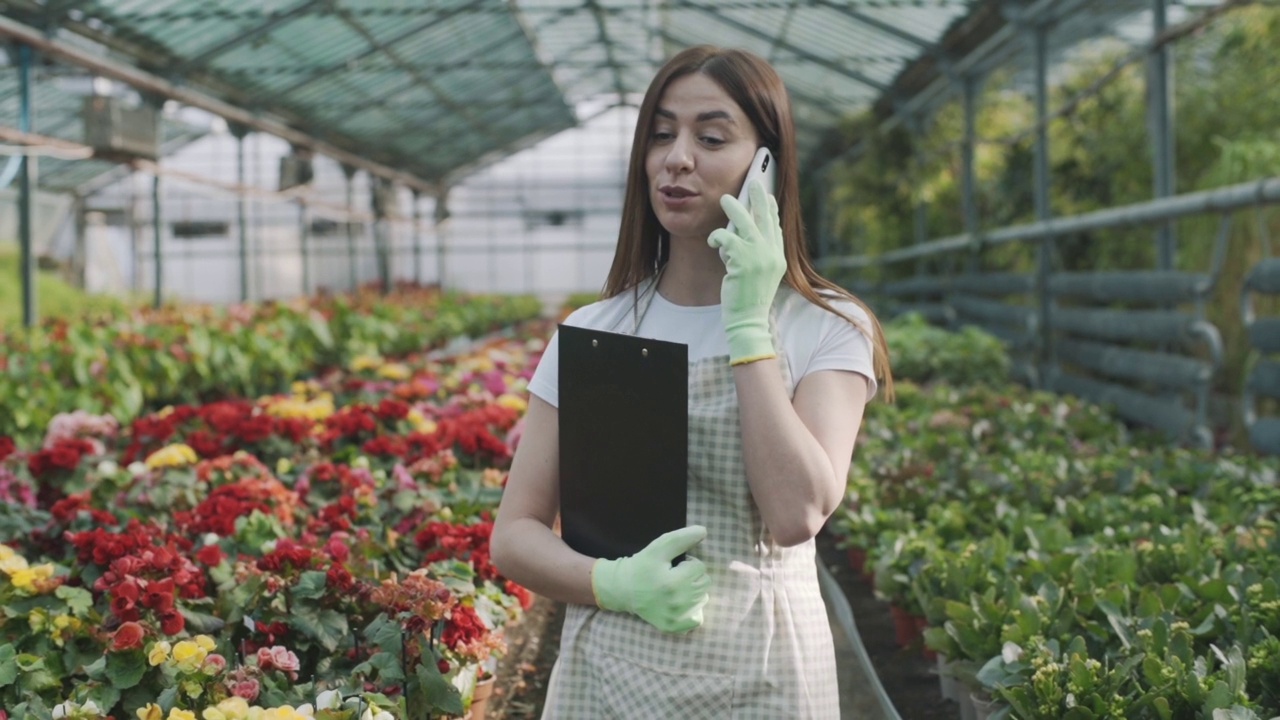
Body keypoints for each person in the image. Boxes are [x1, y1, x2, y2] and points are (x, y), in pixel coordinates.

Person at [490, 44, 894, 718]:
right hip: (607, 678)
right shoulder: (598, 330)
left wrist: (747, 329)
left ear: (767, 165)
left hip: (762, 677)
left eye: (711, 137)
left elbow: (796, 513)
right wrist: (610, 581)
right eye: (660, 135)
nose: (677, 157)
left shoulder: (825, 326)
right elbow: (515, 533)